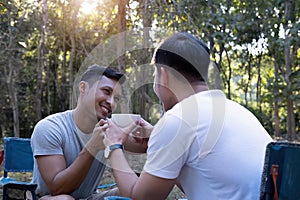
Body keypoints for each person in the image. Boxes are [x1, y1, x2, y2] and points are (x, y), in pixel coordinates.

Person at [100, 32, 273, 200]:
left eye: (154, 76)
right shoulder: (236, 110)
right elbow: (207, 177)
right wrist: (158, 138)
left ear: (163, 75)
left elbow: (139, 197)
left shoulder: (177, 119)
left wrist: (114, 145)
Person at [31, 65, 146, 200]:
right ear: (83, 88)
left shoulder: (110, 129)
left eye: (117, 98)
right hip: (49, 198)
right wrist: (93, 146)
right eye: (106, 91)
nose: (111, 102)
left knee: (136, 191)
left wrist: (150, 131)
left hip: (89, 197)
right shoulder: (50, 128)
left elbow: (147, 145)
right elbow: (57, 189)